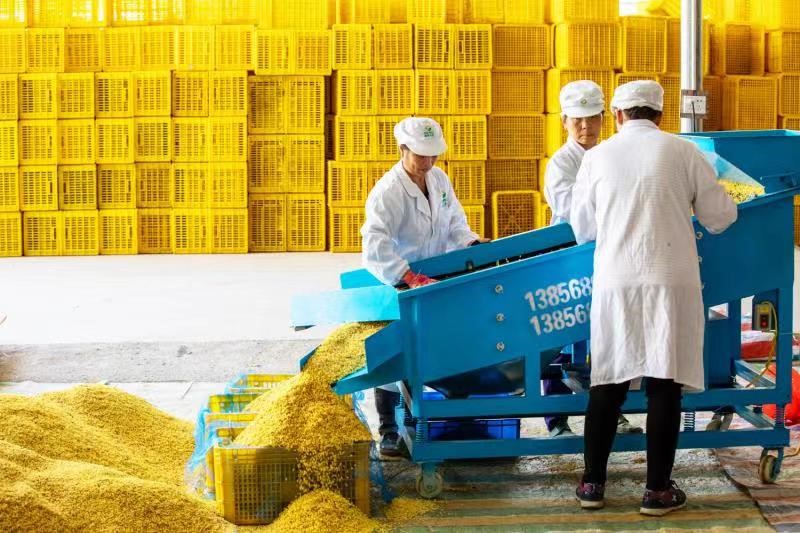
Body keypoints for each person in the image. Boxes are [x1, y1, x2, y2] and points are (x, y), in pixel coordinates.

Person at [570, 80, 737, 516]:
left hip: (617, 281)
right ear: (660, 115)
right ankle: (657, 492)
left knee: (608, 382)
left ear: (618, 115)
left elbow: (582, 228)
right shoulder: (684, 151)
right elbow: (720, 217)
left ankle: (592, 485)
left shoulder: (597, 156)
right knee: (665, 382)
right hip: (670, 280)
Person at [361, 116, 487, 456]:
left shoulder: (439, 179)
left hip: (434, 279)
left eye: (434, 154)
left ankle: (419, 420)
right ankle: (388, 428)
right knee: (396, 355)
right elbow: (374, 244)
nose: (429, 161)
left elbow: (454, 222)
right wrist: (406, 275)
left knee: (432, 350)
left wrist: (471, 243)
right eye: (421, 154)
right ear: (402, 149)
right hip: (401, 282)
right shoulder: (388, 192)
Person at [542, 80, 641, 438]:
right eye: (577, 120)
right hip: (570, 257)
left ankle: (613, 413)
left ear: (605, 118)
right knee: (560, 334)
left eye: (592, 118)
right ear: (564, 122)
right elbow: (575, 213)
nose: (586, 127)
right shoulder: (561, 163)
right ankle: (556, 419)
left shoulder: (613, 153)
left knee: (608, 337)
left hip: (611, 256)